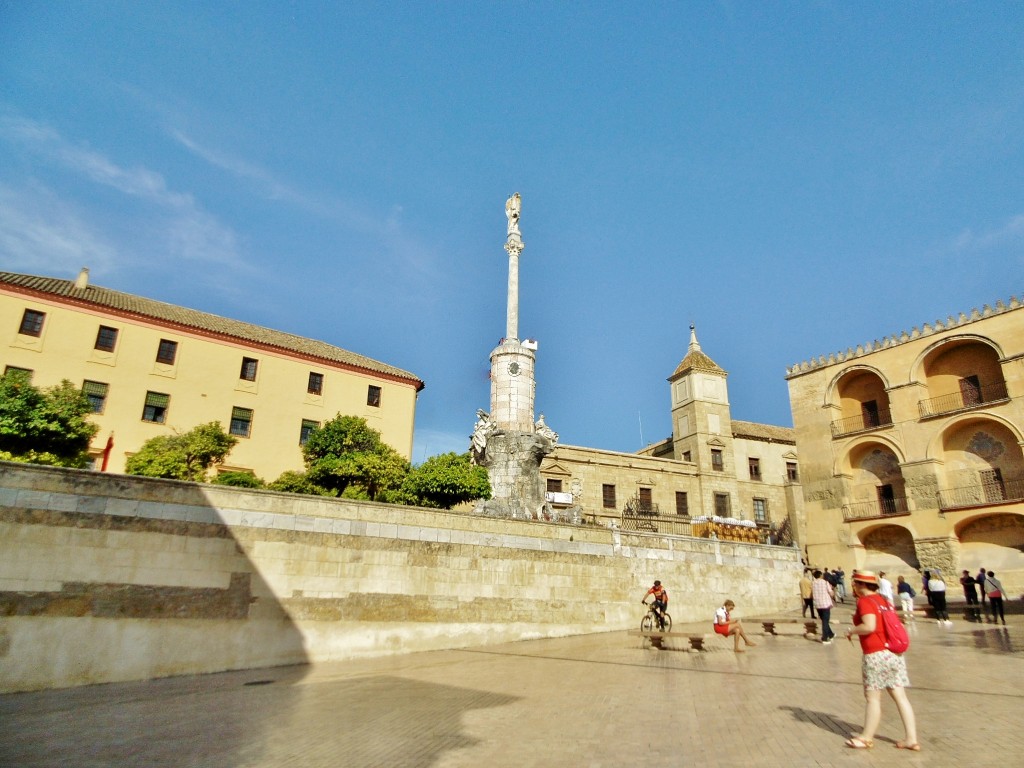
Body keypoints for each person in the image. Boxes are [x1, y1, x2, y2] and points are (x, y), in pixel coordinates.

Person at [843, 570, 920, 751]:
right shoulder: (883, 600)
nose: (854, 586)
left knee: (873, 698)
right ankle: (911, 738)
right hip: (893, 653)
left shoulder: (865, 602)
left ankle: (866, 737)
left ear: (861, 584)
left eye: (855, 583)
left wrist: (852, 630)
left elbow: (869, 626)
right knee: (900, 697)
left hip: (876, 654)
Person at [812, 569, 836, 644]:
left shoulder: (813, 583)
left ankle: (831, 634)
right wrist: (833, 592)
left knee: (824, 620)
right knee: (825, 621)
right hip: (825, 604)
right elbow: (831, 593)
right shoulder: (825, 583)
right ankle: (824, 638)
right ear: (820, 575)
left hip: (818, 604)